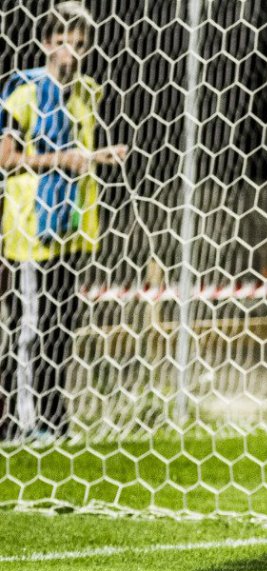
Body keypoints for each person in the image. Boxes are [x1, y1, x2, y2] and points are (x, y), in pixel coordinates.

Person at [0, 2, 127, 442]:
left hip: (72, 230)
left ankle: (55, 422)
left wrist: (96, 157)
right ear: (44, 45)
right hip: (30, 230)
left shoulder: (89, 91)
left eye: (78, 44)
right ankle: (17, 423)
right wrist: (63, 160)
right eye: (61, 43)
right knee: (29, 330)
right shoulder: (24, 90)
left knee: (61, 331)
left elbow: (78, 153)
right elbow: (7, 159)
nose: (69, 53)